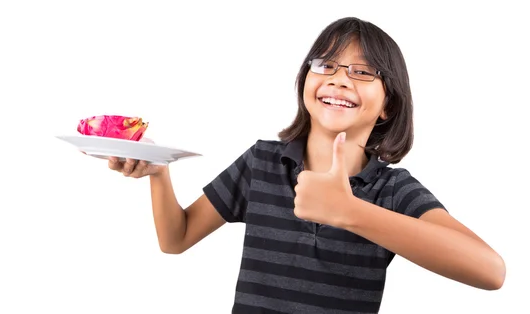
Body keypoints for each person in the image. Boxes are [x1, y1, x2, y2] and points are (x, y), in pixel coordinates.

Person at [106, 17, 505, 314]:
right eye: (325, 65)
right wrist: (159, 173)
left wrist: (350, 212)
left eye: (363, 72)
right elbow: (177, 239)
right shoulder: (261, 161)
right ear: (305, 81)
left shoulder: (391, 191)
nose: (340, 80)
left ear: (388, 106)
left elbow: (490, 272)